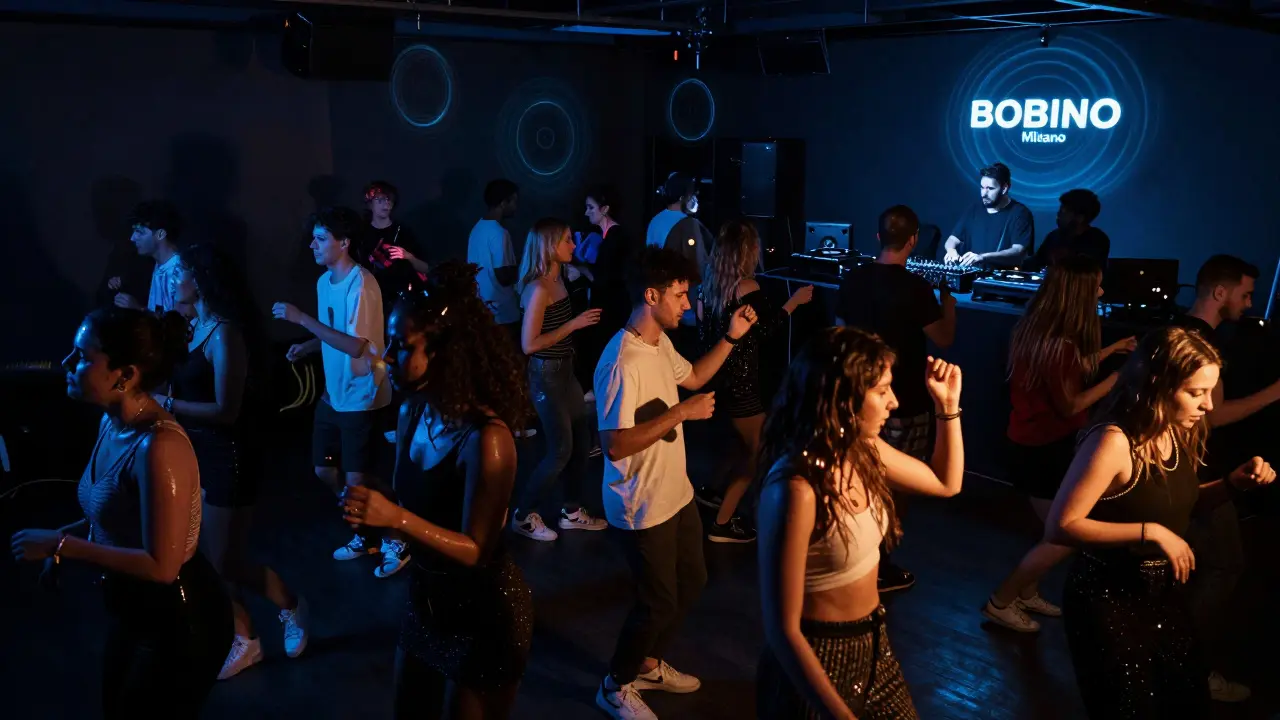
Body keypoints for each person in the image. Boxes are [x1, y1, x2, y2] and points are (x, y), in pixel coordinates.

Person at [10, 307, 232, 718]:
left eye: (82, 357)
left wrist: (63, 545)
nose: (67, 364)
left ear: (125, 375)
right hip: (135, 609)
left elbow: (162, 566)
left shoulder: (159, 448)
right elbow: (111, 517)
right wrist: (63, 540)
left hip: (180, 619)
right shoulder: (111, 425)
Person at [1046, 327, 1275, 719]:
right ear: (1158, 383)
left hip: (1161, 593)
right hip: (1107, 596)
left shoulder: (1175, 430)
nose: (1207, 406)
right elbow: (1061, 525)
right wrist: (1149, 532)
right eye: (1196, 392)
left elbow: (1183, 506)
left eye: (1210, 392)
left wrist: (1233, 484)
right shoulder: (1113, 441)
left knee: (1184, 700)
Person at [341, 262, 533, 719]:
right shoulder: (413, 412)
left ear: (447, 353)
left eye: (402, 346)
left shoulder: (488, 440)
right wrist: (373, 499)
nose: (386, 355)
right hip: (428, 599)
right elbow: (417, 501)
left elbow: (476, 550)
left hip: (487, 612)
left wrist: (396, 519)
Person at [756, 327, 964, 720]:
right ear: (844, 396)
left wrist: (947, 407)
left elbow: (946, 483)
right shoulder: (796, 488)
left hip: (875, 644)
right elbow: (782, 630)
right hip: (817, 659)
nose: (894, 401)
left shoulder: (864, 450)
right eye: (883, 390)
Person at [594, 246, 758, 720]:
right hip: (639, 504)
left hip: (676, 493)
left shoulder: (660, 343)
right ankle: (614, 684)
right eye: (680, 295)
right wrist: (681, 414)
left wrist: (731, 336)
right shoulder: (621, 362)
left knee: (693, 580)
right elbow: (615, 445)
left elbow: (696, 377)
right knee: (657, 601)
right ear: (651, 295)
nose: (688, 304)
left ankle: (645, 663)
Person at [161, 244, 308, 679]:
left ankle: (292, 605)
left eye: (179, 274)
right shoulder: (195, 326)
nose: (173, 281)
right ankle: (244, 640)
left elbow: (228, 409)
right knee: (207, 559)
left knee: (226, 560)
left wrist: (168, 403)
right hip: (197, 453)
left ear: (201, 280)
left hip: (229, 456)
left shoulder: (225, 333)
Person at [983, 256, 1135, 632]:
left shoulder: (1037, 332)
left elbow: (1064, 370)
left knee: (1054, 530)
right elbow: (1070, 403)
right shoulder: (1060, 345)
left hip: (1032, 444)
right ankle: (1001, 601)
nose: (1101, 292)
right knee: (1067, 534)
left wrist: (1107, 351)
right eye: (1095, 286)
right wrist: (1118, 377)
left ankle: (1027, 591)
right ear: (1077, 296)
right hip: (1041, 450)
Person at [272, 207, 404, 578]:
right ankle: (367, 532)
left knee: (355, 479)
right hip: (335, 394)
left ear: (343, 243)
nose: (312, 245)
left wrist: (301, 320)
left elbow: (357, 346)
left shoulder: (361, 284)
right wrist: (309, 345)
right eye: (312, 237)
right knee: (322, 470)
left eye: (320, 238)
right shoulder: (323, 282)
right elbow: (333, 333)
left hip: (361, 392)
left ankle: (396, 535)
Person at [1170, 254, 1280, 701]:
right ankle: (1190, 669)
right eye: (1246, 294)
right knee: (1224, 563)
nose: (1251, 303)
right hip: (1194, 473)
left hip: (1180, 470)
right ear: (1220, 293)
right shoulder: (1201, 344)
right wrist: (1275, 393)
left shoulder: (1177, 331)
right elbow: (1213, 419)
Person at [837, 205, 956, 592]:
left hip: (854, 400)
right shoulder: (918, 288)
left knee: (856, 473)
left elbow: (840, 334)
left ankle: (855, 553)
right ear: (913, 241)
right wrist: (949, 305)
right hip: (902, 403)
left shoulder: (853, 279)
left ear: (877, 237)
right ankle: (879, 562)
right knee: (896, 486)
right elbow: (944, 339)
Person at [698, 219, 814, 543]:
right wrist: (794, 302)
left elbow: (705, 336)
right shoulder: (747, 287)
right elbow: (765, 330)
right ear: (747, 252)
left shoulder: (710, 285)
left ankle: (712, 491)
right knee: (759, 453)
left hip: (722, 380)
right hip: (744, 384)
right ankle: (722, 523)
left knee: (743, 445)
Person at [511, 218, 606, 541]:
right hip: (547, 376)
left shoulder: (559, 278)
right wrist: (574, 325)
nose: (573, 245)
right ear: (551, 246)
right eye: (567, 240)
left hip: (565, 371)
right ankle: (523, 515)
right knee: (560, 450)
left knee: (581, 444)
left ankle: (572, 511)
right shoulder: (538, 288)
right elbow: (529, 344)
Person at [645, 172, 713, 331]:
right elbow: (698, 265)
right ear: (684, 196)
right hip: (683, 306)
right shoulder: (688, 224)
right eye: (693, 194)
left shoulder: (655, 220)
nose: (695, 199)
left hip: (656, 298)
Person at [942, 162, 1034, 268]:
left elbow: (1018, 251)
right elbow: (952, 239)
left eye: (990, 189)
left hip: (1000, 280)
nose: (983, 194)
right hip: (972, 278)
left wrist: (983, 257)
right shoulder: (974, 209)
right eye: (982, 187)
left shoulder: (1020, 213)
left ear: (1004, 189)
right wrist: (951, 250)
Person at [467, 179, 521, 340]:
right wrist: (527, 267)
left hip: (484, 311)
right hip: (503, 314)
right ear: (504, 203)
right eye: (514, 202)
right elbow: (504, 277)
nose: (516, 207)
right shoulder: (499, 233)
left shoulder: (477, 228)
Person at [108, 200, 184, 313]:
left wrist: (139, 309)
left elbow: (179, 325)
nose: (132, 238)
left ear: (160, 234)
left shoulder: (181, 272)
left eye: (139, 232)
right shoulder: (155, 265)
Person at [363, 181, 428, 308]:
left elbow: (426, 268)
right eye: (380, 200)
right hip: (368, 300)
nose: (386, 204)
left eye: (389, 200)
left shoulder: (404, 232)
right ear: (370, 204)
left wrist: (408, 256)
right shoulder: (361, 233)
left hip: (400, 302)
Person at [1024, 189, 1110, 271]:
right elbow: (1036, 262)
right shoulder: (1053, 236)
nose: (1058, 214)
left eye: (1063, 211)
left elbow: (1085, 273)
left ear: (1080, 217)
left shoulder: (1097, 240)